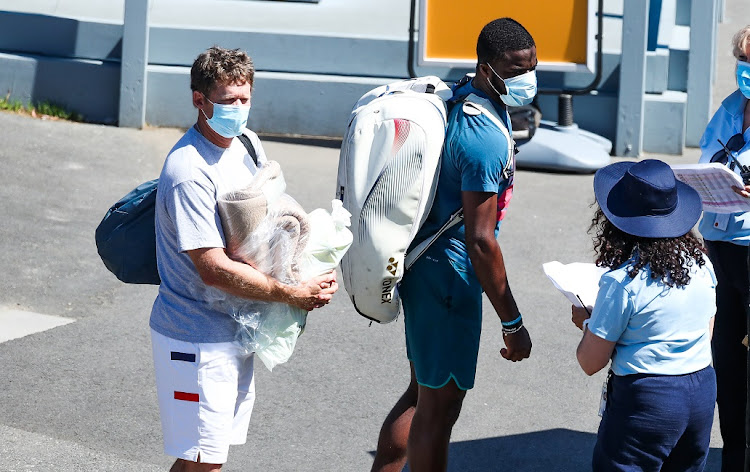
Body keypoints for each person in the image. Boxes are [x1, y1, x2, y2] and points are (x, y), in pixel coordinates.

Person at [149, 46, 338, 472]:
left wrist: (309, 272)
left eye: (245, 98)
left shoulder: (245, 143)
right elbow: (212, 268)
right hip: (195, 339)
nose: (239, 109)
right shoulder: (189, 171)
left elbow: (269, 224)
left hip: (233, 330)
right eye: (227, 100)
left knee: (199, 458)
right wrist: (292, 293)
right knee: (206, 462)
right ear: (199, 100)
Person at [370, 18, 534, 472]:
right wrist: (512, 321)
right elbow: (480, 242)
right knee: (439, 409)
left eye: (531, 68)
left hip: (429, 272)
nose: (526, 79)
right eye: (516, 70)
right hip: (449, 281)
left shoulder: (468, 96)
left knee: (424, 392)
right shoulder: (482, 140)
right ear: (487, 68)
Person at [572, 159, 717, 471]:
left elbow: (590, 362)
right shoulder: (703, 266)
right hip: (702, 391)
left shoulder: (622, 283)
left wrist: (587, 322)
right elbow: (706, 333)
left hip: (647, 400)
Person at [696, 24, 750, 471]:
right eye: (743, 62)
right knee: (728, 361)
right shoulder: (731, 107)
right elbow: (705, 158)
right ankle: (734, 456)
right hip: (721, 245)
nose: (747, 71)